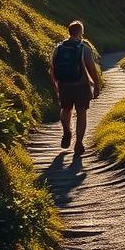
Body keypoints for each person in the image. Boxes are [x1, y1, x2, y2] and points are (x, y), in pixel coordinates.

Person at [50, 20, 101, 154]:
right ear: (80, 33)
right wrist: (96, 85)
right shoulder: (84, 48)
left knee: (66, 109)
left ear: (69, 32)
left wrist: (56, 85)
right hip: (81, 85)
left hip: (64, 85)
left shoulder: (58, 48)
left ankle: (67, 131)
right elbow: (91, 69)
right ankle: (78, 143)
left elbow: (52, 69)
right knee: (81, 112)